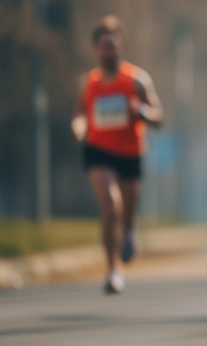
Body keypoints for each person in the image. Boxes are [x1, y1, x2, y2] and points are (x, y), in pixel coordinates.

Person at [70, 15, 163, 294]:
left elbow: (159, 116)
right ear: (96, 49)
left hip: (130, 153)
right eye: (104, 45)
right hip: (98, 151)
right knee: (110, 207)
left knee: (127, 214)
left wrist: (143, 113)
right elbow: (79, 113)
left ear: (122, 46)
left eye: (114, 44)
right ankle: (113, 270)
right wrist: (79, 127)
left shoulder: (137, 80)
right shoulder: (89, 82)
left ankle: (130, 231)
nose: (109, 50)